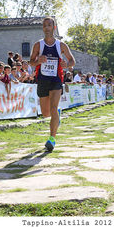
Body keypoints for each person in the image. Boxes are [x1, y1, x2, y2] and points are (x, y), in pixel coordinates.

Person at [30, 16, 75, 152]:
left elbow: (72, 61)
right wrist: (38, 61)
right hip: (43, 80)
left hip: (56, 80)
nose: (47, 28)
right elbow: (31, 62)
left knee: (53, 108)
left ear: (54, 27)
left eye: (49, 25)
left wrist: (66, 65)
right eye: (44, 26)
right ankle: (57, 114)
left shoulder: (61, 45)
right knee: (45, 113)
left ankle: (52, 139)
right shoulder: (38, 45)